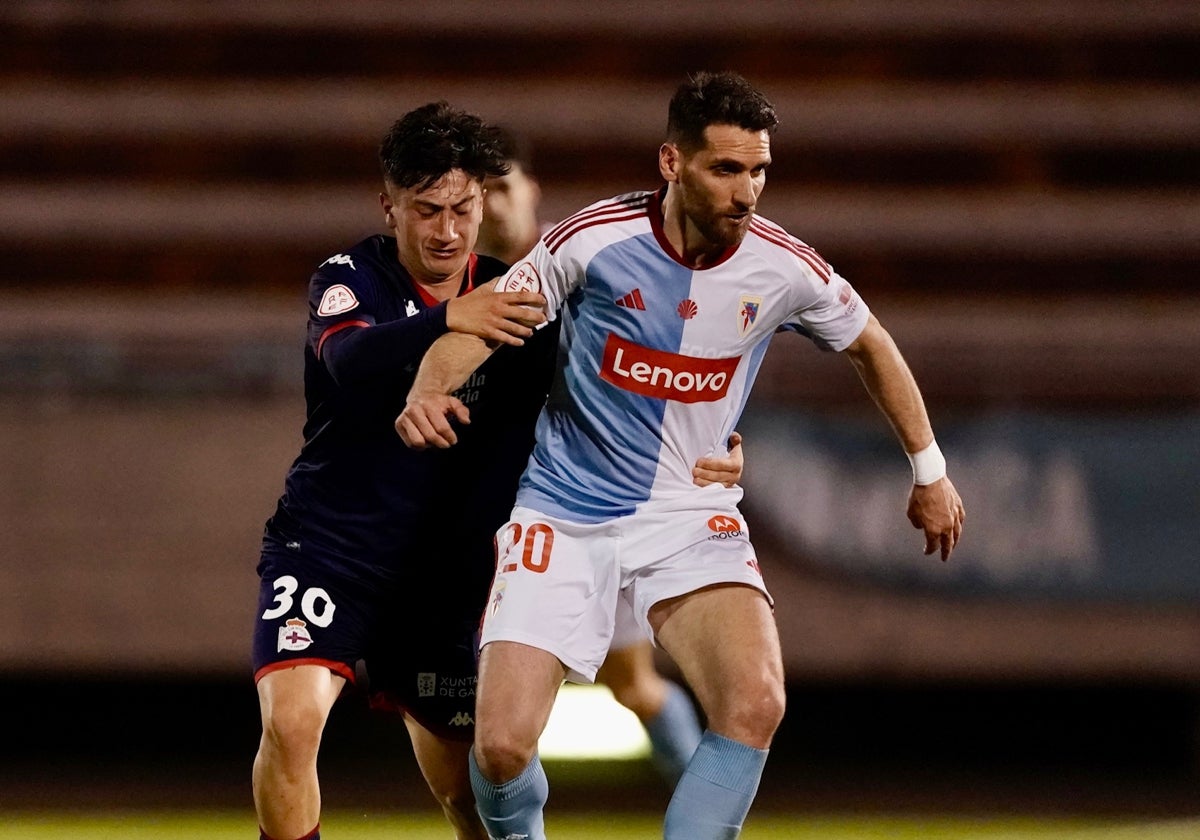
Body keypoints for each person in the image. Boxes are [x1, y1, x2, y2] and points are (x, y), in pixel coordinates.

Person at [396, 71, 966, 840]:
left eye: (759, 170)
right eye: (726, 169)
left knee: (757, 702)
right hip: (564, 513)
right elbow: (479, 325)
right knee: (499, 748)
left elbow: (871, 343)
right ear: (672, 163)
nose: (747, 191)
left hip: (690, 511)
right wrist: (427, 391)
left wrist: (928, 470)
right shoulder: (591, 241)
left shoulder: (784, 267)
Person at [250, 102, 744, 840]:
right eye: (426, 211)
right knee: (293, 727)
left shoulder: (520, 299)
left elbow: (618, 388)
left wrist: (716, 438)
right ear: (389, 207)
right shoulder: (348, 278)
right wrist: (450, 319)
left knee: (471, 793)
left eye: (462, 209)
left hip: (450, 584)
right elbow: (348, 358)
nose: (447, 231)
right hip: (332, 553)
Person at [478, 132, 706, 786]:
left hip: (590, 505)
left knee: (633, 684)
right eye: (477, 192)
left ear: (530, 190)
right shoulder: (458, 282)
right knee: (494, 691)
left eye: (501, 186)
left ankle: (706, 812)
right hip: (501, 510)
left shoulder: (583, 260)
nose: (490, 205)